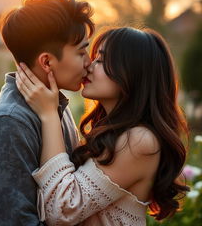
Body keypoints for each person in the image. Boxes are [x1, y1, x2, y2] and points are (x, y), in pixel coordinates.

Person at [16, 26, 190, 225]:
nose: (89, 65)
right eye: (93, 56)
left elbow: (61, 211)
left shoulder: (140, 140)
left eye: (102, 60)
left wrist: (48, 114)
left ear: (132, 72)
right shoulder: (115, 133)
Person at [0, 0, 94, 225]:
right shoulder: (8, 122)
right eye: (81, 52)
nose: (89, 61)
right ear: (47, 62)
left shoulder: (54, 104)